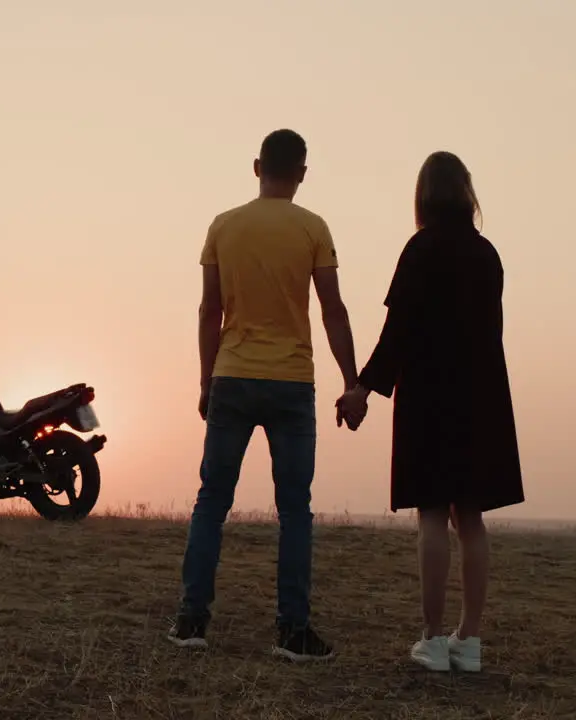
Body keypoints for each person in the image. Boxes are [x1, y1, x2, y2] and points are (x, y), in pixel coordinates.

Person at [167, 128, 365, 662]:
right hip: (292, 383)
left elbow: (210, 311)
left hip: (233, 375)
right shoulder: (313, 228)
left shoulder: (223, 226)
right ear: (302, 173)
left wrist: (206, 381)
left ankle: (191, 620)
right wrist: (352, 383)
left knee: (212, 501)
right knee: (294, 510)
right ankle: (293, 630)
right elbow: (333, 311)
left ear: (257, 167)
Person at [340, 151, 524, 672]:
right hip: (482, 397)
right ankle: (470, 641)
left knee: (431, 518)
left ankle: (432, 638)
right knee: (471, 520)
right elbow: (494, 333)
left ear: (422, 196)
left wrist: (361, 391)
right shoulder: (487, 255)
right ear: (466, 193)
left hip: (428, 397)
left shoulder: (420, 249)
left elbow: (398, 333)